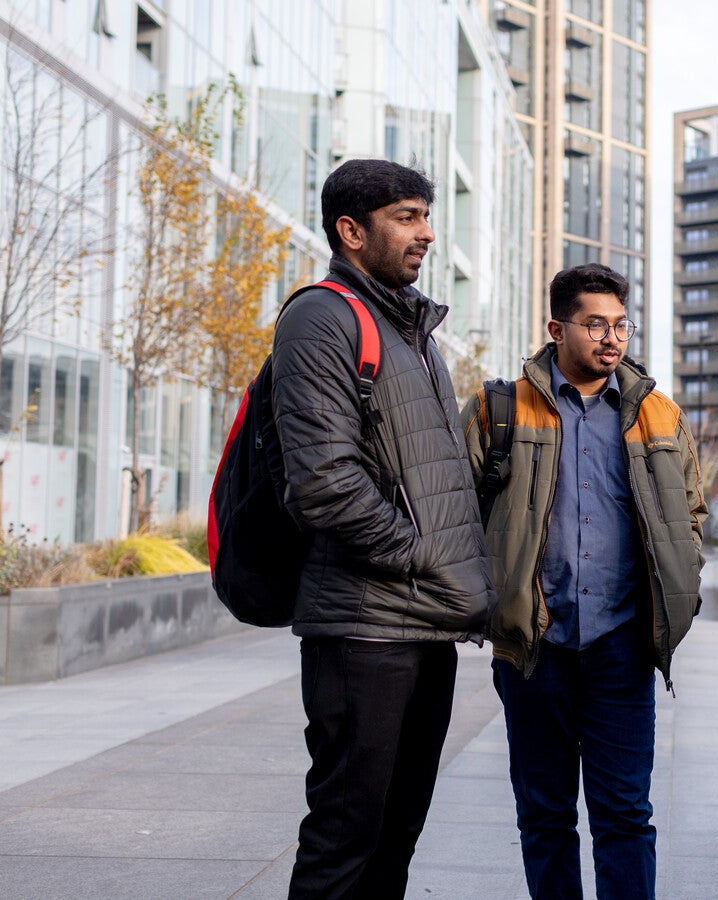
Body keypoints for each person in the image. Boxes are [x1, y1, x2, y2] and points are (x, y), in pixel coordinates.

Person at [275, 158, 495, 899]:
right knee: (345, 839)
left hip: (421, 627)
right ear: (350, 230)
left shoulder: (414, 334)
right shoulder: (321, 318)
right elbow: (324, 484)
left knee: (395, 839)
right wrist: (423, 559)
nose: (427, 232)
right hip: (363, 631)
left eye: (427, 215)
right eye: (407, 216)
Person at [460, 262, 706, 899]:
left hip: (621, 646)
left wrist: (686, 577)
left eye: (620, 324)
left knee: (625, 815)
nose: (611, 337)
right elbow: (460, 512)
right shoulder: (499, 408)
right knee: (544, 816)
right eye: (595, 323)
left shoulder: (658, 413)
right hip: (533, 647)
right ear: (556, 327)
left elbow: (692, 509)